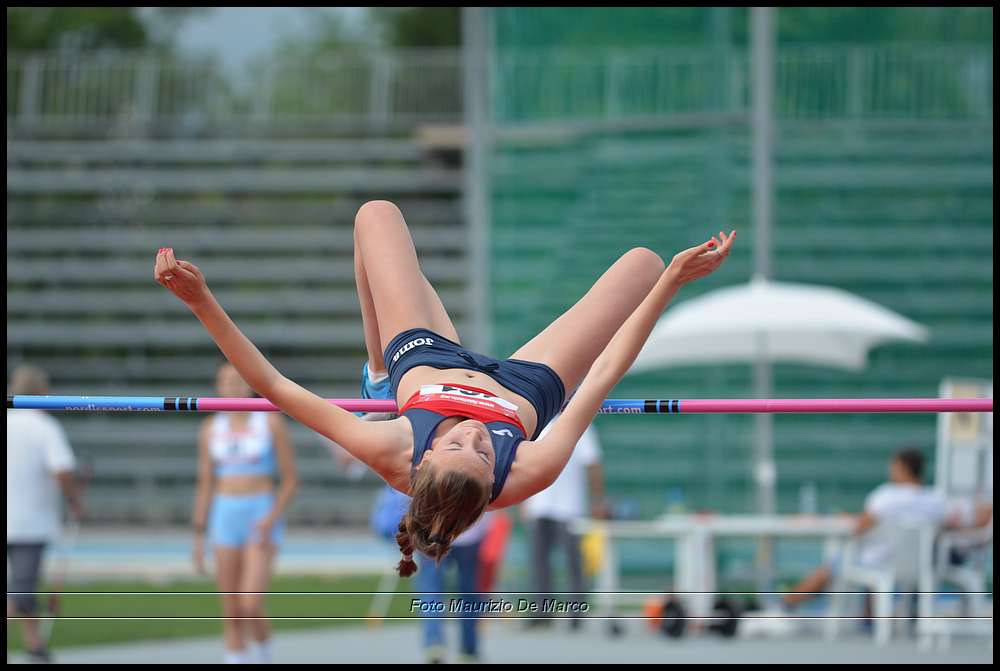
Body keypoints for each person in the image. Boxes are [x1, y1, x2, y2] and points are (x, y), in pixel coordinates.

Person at [153, 201, 736, 577]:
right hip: (524, 385)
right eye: (485, 453)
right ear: (494, 483)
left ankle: (378, 375)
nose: (477, 436)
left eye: (459, 444)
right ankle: (657, 273)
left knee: (375, 216)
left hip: (425, 361)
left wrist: (201, 302)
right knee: (643, 266)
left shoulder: (391, 449)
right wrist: (670, 284)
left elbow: (273, 386)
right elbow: (604, 374)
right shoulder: (531, 470)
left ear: (426, 456)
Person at [781, 447, 992, 611]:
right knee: (858, 560)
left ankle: (785, 604)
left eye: (893, 466)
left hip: (878, 562)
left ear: (901, 468)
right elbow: (967, 519)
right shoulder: (936, 500)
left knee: (834, 565)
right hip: (920, 565)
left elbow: (858, 527)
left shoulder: (885, 497)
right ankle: (868, 618)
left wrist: (836, 519)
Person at [191, 363, 299, 664]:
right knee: (232, 611)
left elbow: (291, 480)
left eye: (238, 379)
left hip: (259, 513)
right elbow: (205, 483)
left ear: (249, 384)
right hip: (225, 514)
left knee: (250, 604)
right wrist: (198, 535)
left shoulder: (270, 422)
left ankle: (263, 656)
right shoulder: (211, 428)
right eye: (225, 380)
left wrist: (271, 517)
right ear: (218, 386)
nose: (232, 385)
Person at [6, 365, 84, 663]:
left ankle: (34, 642)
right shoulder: (44, 427)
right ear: (42, 392)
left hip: (22, 520)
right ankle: (34, 642)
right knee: (22, 590)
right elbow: (62, 468)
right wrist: (74, 499)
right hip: (29, 522)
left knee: (22, 586)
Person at [522, 416, 609, 630]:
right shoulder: (539, 423)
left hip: (569, 507)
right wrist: (524, 500)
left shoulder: (580, 423)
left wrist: (597, 500)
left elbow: (592, 464)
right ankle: (543, 610)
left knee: (573, 562)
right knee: (540, 562)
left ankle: (576, 610)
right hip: (540, 504)